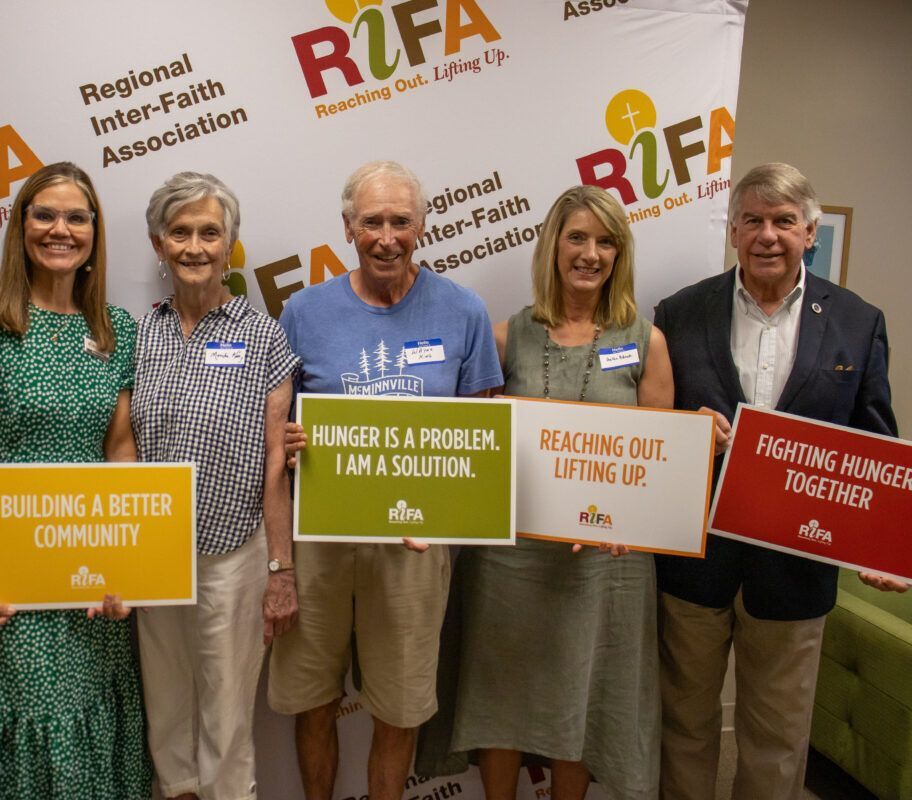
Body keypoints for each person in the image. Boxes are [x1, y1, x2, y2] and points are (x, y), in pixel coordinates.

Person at [653, 162, 903, 800]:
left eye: (784, 221)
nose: (769, 234)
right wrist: (688, 428)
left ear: (810, 233)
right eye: (754, 220)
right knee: (683, 724)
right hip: (694, 561)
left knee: (777, 735)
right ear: (733, 231)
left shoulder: (857, 320)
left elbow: (872, 443)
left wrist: (882, 545)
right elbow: (650, 429)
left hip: (797, 568)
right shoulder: (679, 312)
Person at [421, 185, 674, 800]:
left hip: (605, 563)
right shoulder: (505, 336)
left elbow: (659, 461)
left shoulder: (646, 341)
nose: (590, 253)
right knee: (499, 696)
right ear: (553, 246)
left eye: (605, 241)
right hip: (512, 559)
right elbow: (469, 447)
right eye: (578, 238)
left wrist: (634, 520)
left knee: (585, 700)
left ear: (620, 253)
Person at [268, 160, 503, 800]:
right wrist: (292, 444)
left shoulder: (464, 311)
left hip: (415, 546)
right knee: (312, 697)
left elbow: (480, 434)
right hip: (320, 539)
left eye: (401, 221)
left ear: (422, 225)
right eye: (372, 221)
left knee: (399, 706)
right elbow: (280, 425)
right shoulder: (303, 310)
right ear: (348, 228)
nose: (387, 236)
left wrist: (452, 512)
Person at [0, 162, 151, 799]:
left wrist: (126, 566)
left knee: (88, 725)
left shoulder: (116, 330)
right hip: (8, 576)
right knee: (20, 726)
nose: (61, 229)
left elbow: (120, 448)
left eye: (77, 216)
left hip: (90, 573)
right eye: (44, 214)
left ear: (95, 232)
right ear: (21, 225)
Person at [131, 172, 300, 800]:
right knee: (167, 713)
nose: (195, 246)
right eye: (180, 232)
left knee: (226, 718)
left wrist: (280, 569)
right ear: (158, 243)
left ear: (229, 246)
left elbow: (276, 464)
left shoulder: (264, 337)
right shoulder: (133, 336)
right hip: (154, 554)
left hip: (234, 553)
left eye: (209, 233)